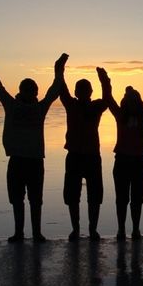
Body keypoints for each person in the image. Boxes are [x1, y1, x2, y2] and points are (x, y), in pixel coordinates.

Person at [0, 52, 64, 243]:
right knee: (17, 200)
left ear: (35, 92)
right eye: (28, 90)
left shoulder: (38, 108)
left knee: (35, 200)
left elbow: (54, 90)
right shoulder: (12, 105)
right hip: (18, 159)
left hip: (34, 161)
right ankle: (19, 232)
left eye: (32, 90)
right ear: (22, 91)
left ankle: (36, 233)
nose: (30, 93)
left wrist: (59, 69)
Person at [100, 66, 143, 239]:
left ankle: (135, 229)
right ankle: (121, 229)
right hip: (121, 161)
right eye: (129, 101)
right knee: (121, 199)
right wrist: (105, 80)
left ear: (139, 103)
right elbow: (108, 98)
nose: (133, 104)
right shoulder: (120, 116)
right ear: (125, 103)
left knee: (137, 198)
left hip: (139, 162)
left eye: (135, 101)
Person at [56, 62, 111, 241]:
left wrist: (104, 79)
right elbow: (61, 87)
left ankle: (92, 229)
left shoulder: (96, 107)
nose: (83, 92)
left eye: (86, 89)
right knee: (72, 195)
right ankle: (76, 229)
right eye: (81, 89)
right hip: (74, 155)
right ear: (77, 92)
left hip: (92, 156)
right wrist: (59, 68)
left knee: (94, 195)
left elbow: (108, 98)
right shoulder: (71, 105)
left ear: (90, 92)